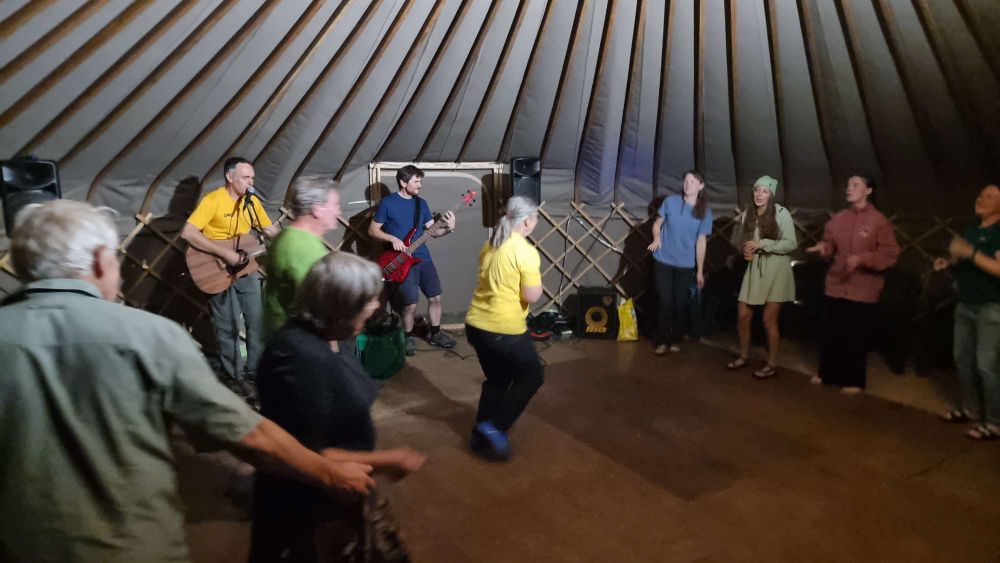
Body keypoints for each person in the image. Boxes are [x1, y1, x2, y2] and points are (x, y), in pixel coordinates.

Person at [0, 200, 374, 563]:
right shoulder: (149, 335)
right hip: (131, 547)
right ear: (100, 260)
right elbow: (246, 435)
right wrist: (326, 472)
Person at [251, 252, 426, 562]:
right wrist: (387, 460)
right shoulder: (298, 358)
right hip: (306, 508)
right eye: (368, 300)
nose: (375, 306)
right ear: (341, 306)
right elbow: (302, 452)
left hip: (343, 490)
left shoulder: (336, 337)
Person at [181, 156, 279, 392]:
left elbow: (268, 229)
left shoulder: (251, 203)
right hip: (215, 270)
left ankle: (254, 372)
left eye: (252, 177)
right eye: (245, 177)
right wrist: (224, 253)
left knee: (257, 320)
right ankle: (233, 376)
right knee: (228, 325)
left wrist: (293, 236)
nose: (250, 182)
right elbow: (188, 232)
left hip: (246, 268)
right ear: (230, 177)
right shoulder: (213, 201)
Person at [465, 196, 545, 460]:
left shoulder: (490, 244)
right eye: (536, 217)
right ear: (528, 221)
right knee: (532, 376)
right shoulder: (525, 251)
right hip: (503, 329)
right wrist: (538, 287)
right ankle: (495, 427)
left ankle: (479, 437)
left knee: (498, 380)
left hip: (476, 326)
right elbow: (531, 295)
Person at [805, 175, 899, 394]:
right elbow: (830, 245)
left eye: (855, 185)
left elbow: (890, 253)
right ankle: (827, 373)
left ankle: (854, 380)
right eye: (848, 185)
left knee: (855, 335)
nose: (849, 188)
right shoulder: (838, 218)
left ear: (869, 191)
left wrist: (862, 259)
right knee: (831, 331)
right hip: (836, 283)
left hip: (863, 288)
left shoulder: (878, 221)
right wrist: (823, 248)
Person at [368, 165, 456, 355]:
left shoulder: (421, 204)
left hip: (423, 257)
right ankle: (408, 336)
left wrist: (449, 228)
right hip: (402, 261)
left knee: (436, 297)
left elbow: (433, 232)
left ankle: (435, 333)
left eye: (420, 181)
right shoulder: (388, 203)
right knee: (410, 304)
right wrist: (392, 239)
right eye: (416, 181)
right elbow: (372, 230)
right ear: (403, 182)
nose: (420, 185)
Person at [935, 184, 1000, 441]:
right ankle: (971, 409)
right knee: (962, 359)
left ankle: (994, 422)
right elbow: (963, 260)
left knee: (987, 366)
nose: (981, 199)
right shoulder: (972, 230)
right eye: (981, 194)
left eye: (990, 197)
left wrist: (969, 252)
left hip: (991, 307)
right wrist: (950, 263)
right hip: (965, 303)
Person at [725, 175, 797, 379]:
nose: (759, 194)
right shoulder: (748, 214)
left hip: (777, 270)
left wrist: (762, 244)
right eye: (757, 190)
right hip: (754, 269)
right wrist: (745, 249)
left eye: (764, 191)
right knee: (743, 316)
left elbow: (791, 243)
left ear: (771, 195)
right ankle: (743, 356)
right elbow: (741, 241)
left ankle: (772, 363)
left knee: (768, 320)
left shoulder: (781, 213)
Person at [263, 175, 341, 336]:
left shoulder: (287, 235)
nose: (338, 211)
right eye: (335, 205)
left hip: (280, 335)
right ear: (317, 209)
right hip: (298, 339)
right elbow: (319, 307)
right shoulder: (304, 247)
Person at [646, 170, 713, 355]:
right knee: (665, 301)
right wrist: (657, 238)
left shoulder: (705, 212)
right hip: (663, 259)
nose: (687, 184)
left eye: (692, 181)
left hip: (685, 264)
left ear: (700, 186)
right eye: (685, 181)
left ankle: (676, 338)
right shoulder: (671, 202)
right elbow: (657, 223)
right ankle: (662, 341)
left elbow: (701, 242)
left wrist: (699, 271)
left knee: (680, 303)